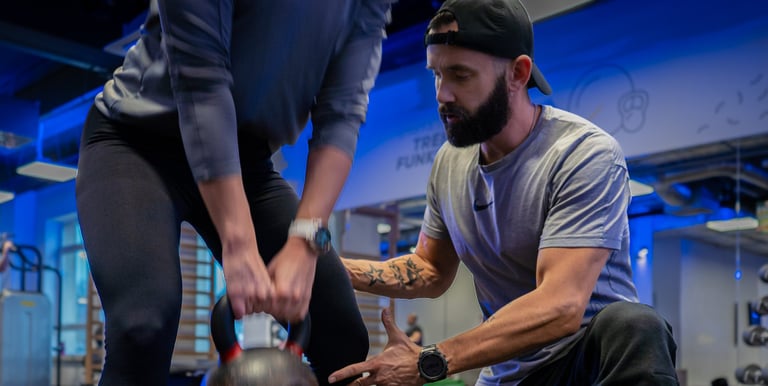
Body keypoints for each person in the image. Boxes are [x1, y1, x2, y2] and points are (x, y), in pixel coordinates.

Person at [329, 0, 679, 385]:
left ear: (518, 72)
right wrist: (331, 270)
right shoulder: (449, 163)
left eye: (460, 75)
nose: (442, 95)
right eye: (436, 74)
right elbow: (429, 269)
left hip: (583, 362)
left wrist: (430, 360)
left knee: (636, 325)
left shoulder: (582, 153)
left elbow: (561, 306)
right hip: (510, 373)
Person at [75, 0, 395, 384]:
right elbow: (201, 86)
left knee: (341, 337)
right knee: (142, 327)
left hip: (247, 162)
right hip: (137, 142)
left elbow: (342, 114)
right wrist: (239, 242)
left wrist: (305, 243)